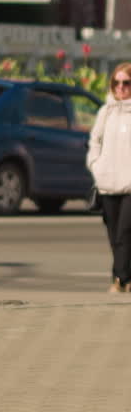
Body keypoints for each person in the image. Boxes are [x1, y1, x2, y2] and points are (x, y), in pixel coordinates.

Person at [86, 61, 131, 292]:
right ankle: (123, 276)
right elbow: (95, 141)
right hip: (107, 183)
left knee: (124, 233)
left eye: (126, 83)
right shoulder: (106, 111)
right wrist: (96, 165)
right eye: (117, 83)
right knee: (114, 235)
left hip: (130, 186)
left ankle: (121, 280)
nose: (120, 88)